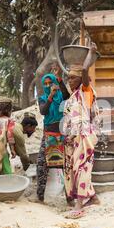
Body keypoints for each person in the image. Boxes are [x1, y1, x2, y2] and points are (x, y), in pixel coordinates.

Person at [62, 42, 101, 219]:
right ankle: (93, 198)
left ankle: (79, 205)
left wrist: (90, 53)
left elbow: (85, 72)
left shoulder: (86, 91)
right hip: (75, 137)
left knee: (81, 168)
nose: (69, 81)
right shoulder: (73, 97)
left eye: (72, 78)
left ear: (81, 80)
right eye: (68, 78)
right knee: (75, 168)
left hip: (85, 136)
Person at [36, 64, 70, 202]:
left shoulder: (62, 96)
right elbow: (43, 111)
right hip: (48, 135)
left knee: (66, 166)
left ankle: (70, 197)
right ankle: (40, 197)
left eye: (50, 82)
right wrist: (50, 96)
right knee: (42, 165)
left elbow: (67, 95)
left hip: (63, 135)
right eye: (46, 83)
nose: (48, 85)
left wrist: (59, 79)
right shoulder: (43, 98)